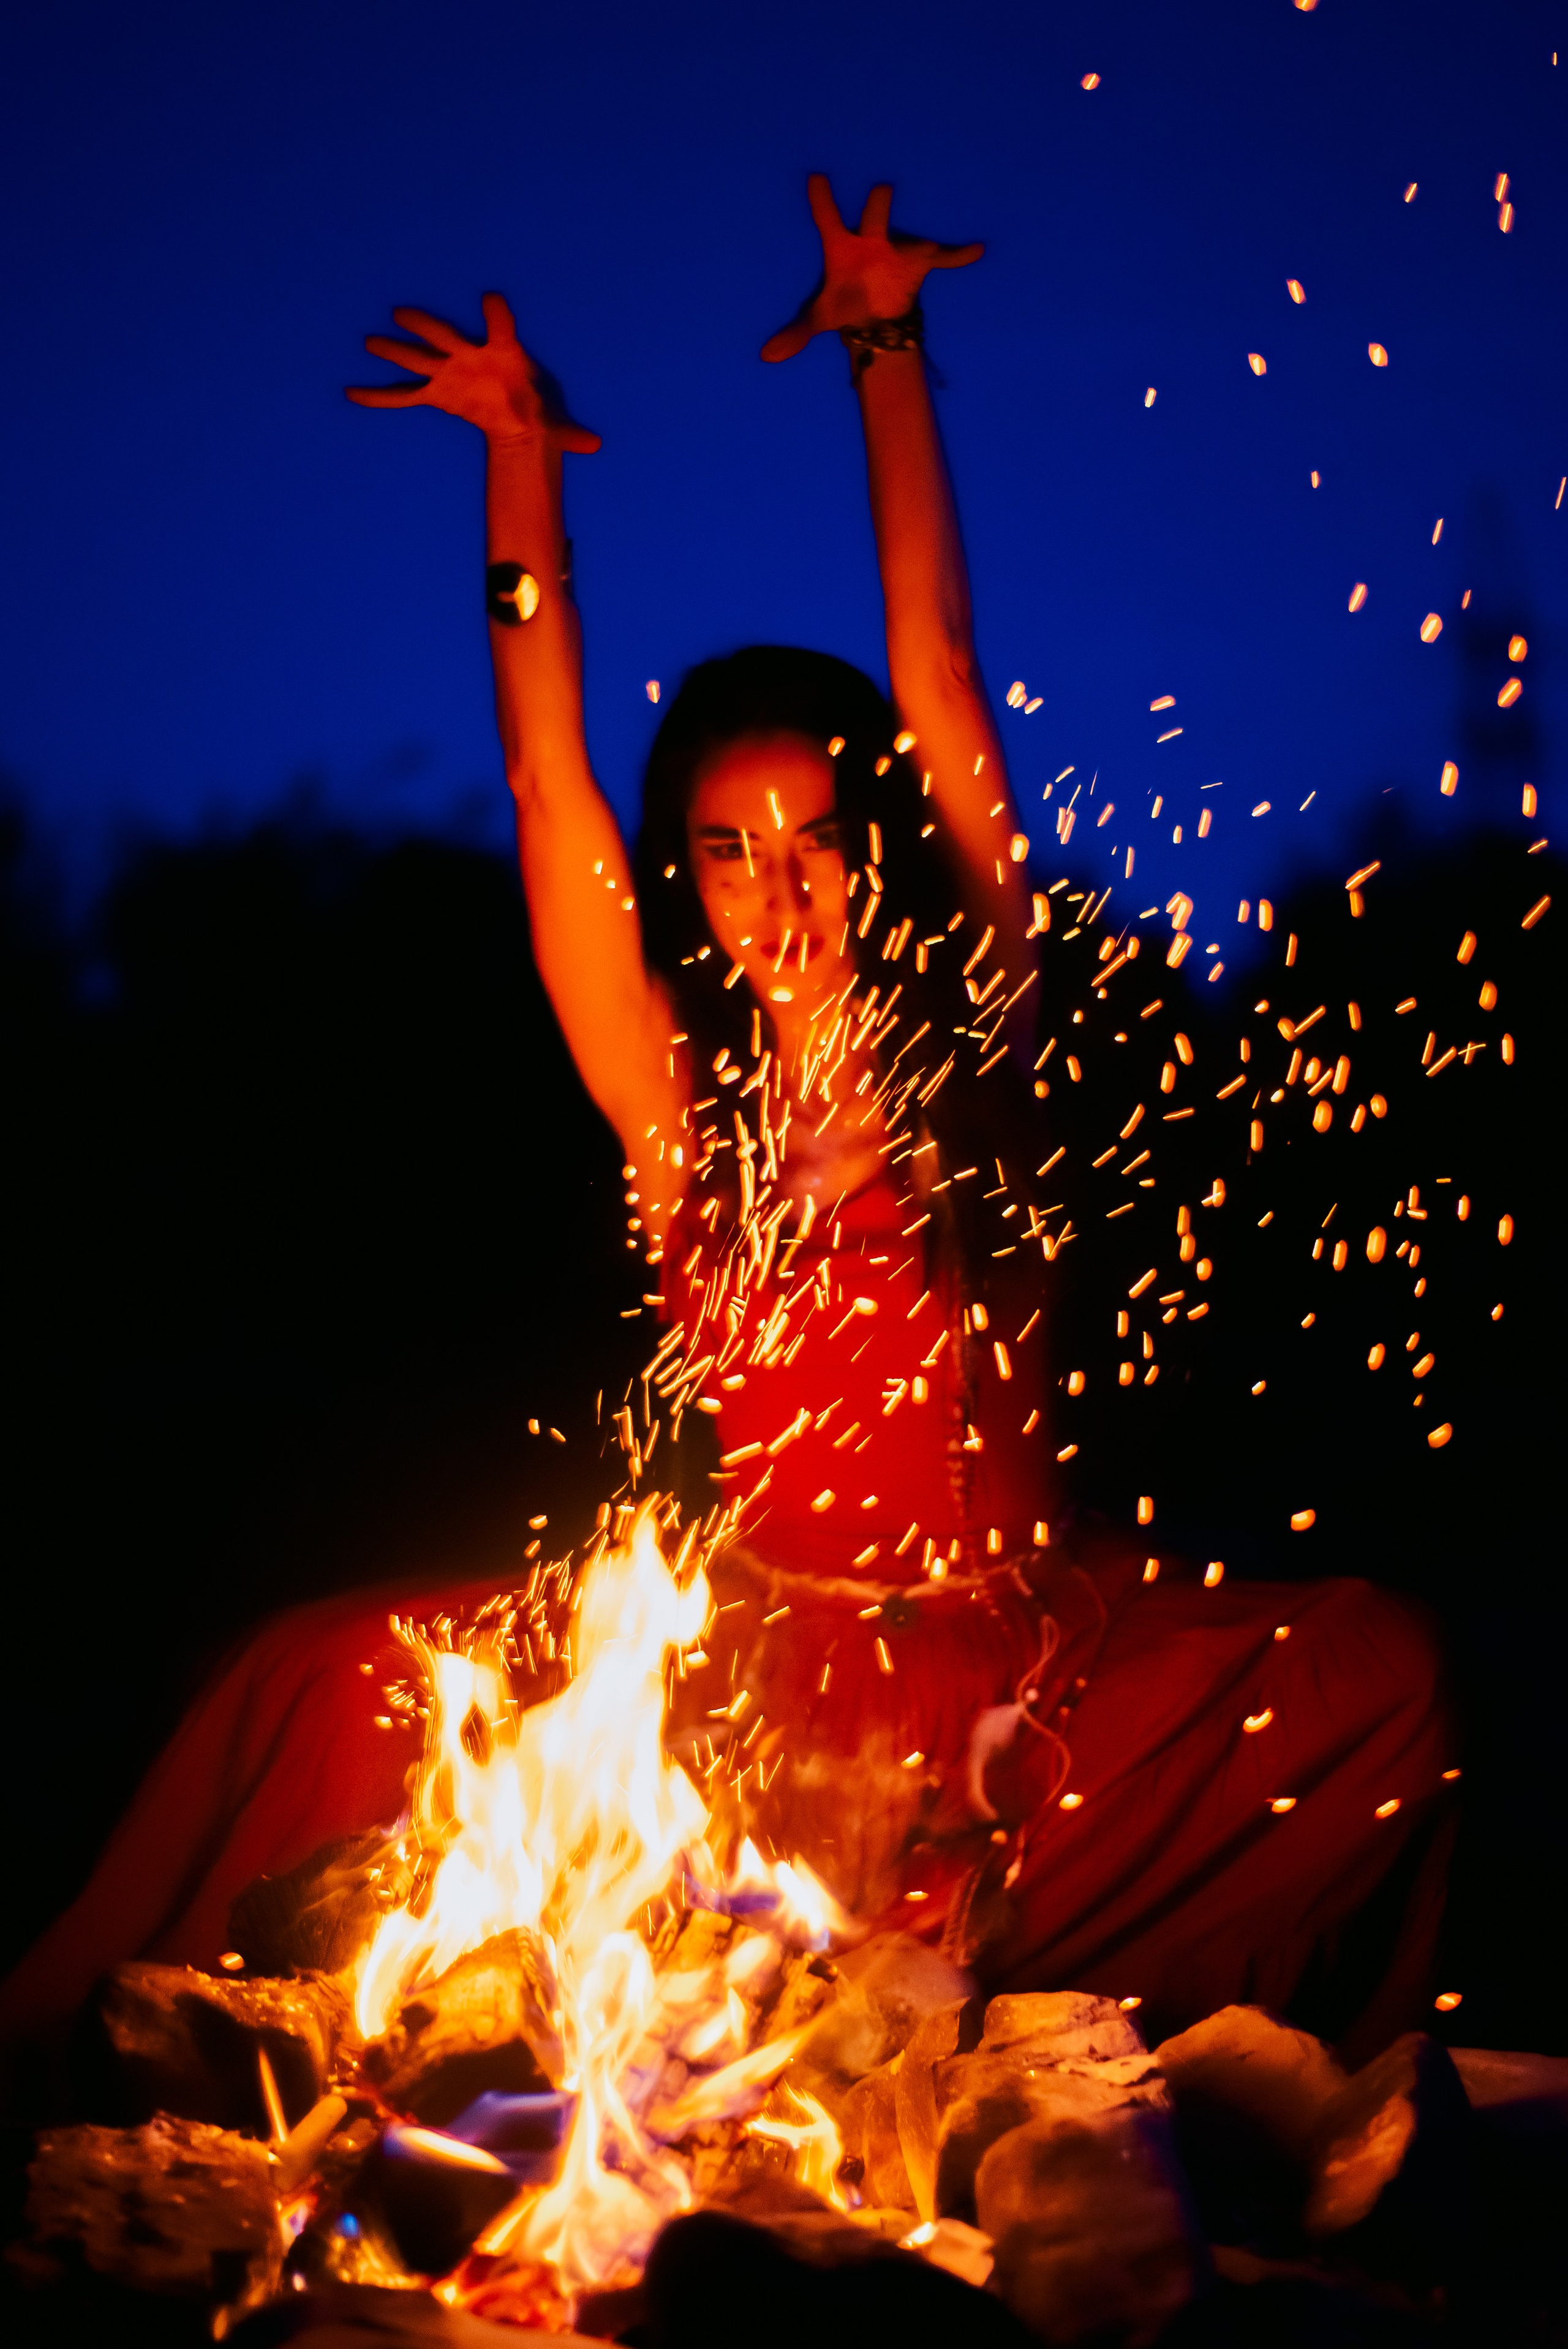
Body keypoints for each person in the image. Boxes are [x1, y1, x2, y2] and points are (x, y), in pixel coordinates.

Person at [1, 181, 1454, 2077]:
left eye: (818, 840)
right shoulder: (678, 1114)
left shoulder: (976, 1049)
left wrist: (884, 350)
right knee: (329, 1676)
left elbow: (936, 672)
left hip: (1023, 1675)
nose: (782, 892)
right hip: (755, 1683)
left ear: (874, 851)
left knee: (1383, 1679)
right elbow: (545, 782)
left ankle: (1114, 2054)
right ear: (688, 883)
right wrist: (521, 466)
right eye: (725, 850)